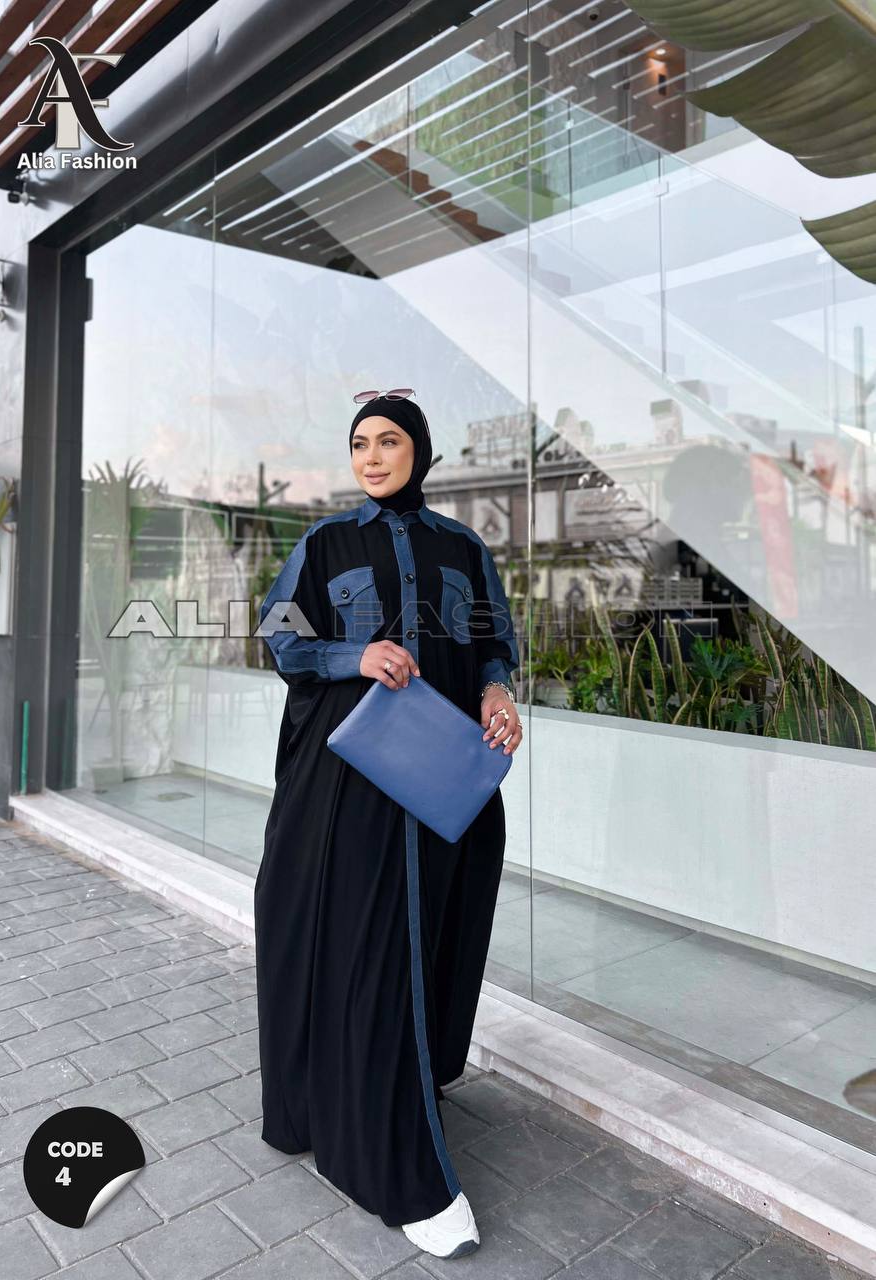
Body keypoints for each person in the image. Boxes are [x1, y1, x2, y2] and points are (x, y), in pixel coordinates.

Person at [254, 391, 522, 1260]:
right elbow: (280, 636)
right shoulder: (326, 542)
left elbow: (492, 638)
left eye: (389, 441)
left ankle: (401, 1082)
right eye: (360, 443)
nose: (371, 457)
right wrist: (353, 654)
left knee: (433, 934)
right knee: (367, 943)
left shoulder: (463, 547)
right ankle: (390, 1160)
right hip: (347, 784)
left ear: (421, 452)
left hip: (439, 776)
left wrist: (496, 690)